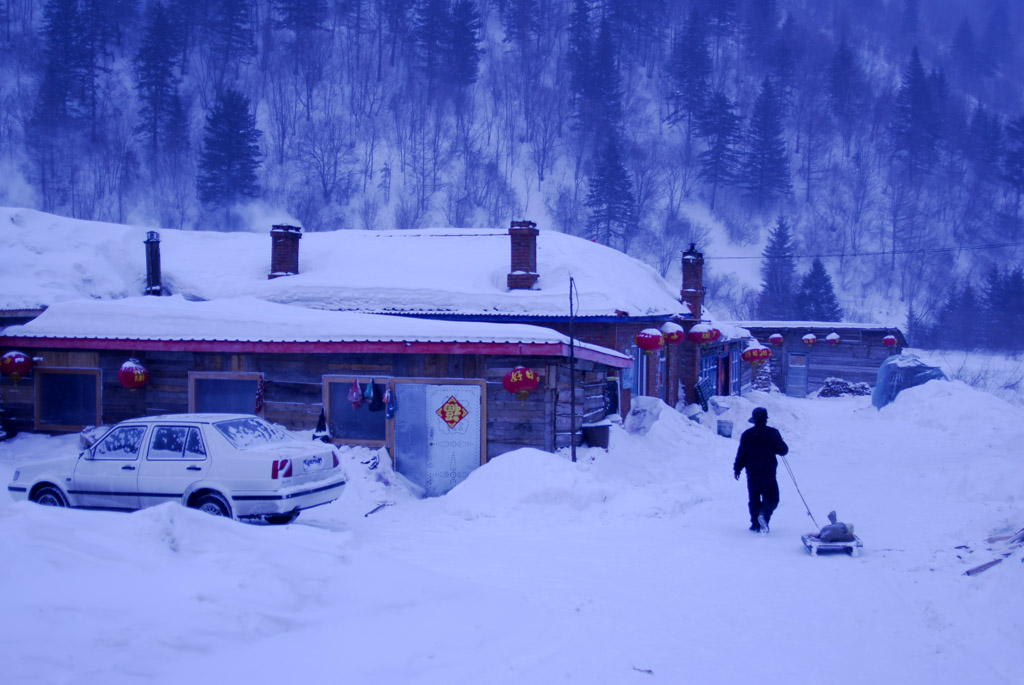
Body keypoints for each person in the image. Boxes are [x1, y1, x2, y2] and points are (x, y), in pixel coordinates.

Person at [733, 407, 788, 534]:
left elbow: (741, 453)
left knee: (754, 498)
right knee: (772, 498)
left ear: (754, 420)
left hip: (752, 472)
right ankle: (764, 514)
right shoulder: (773, 433)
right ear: (765, 419)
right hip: (768, 472)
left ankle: (755, 524)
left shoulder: (747, 434)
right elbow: (783, 450)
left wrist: (737, 469)